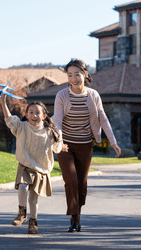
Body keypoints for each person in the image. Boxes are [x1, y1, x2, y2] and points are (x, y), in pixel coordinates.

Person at [52, 59, 121, 233]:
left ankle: (77, 216)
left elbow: (103, 118)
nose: (73, 79)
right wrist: (59, 142)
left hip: (85, 144)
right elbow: (57, 121)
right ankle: (74, 219)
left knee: (81, 184)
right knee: (71, 180)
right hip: (65, 144)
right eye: (70, 75)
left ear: (85, 74)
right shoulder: (61, 95)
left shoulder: (93, 95)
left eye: (77, 74)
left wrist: (113, 141)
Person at [0, 95, 63, 234]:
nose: (34, 115)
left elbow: (57, 147)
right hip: (25, 165)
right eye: (31, 112)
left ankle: (33, 222)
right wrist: (3, 102)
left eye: (37, 112)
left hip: (41, 168)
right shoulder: (21, 127)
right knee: (22, 187)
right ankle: (21, 213)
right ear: (26, 115)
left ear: (44, 115)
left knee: (33, 198)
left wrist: (61, 145)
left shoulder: (49, 131)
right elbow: (9, 119)